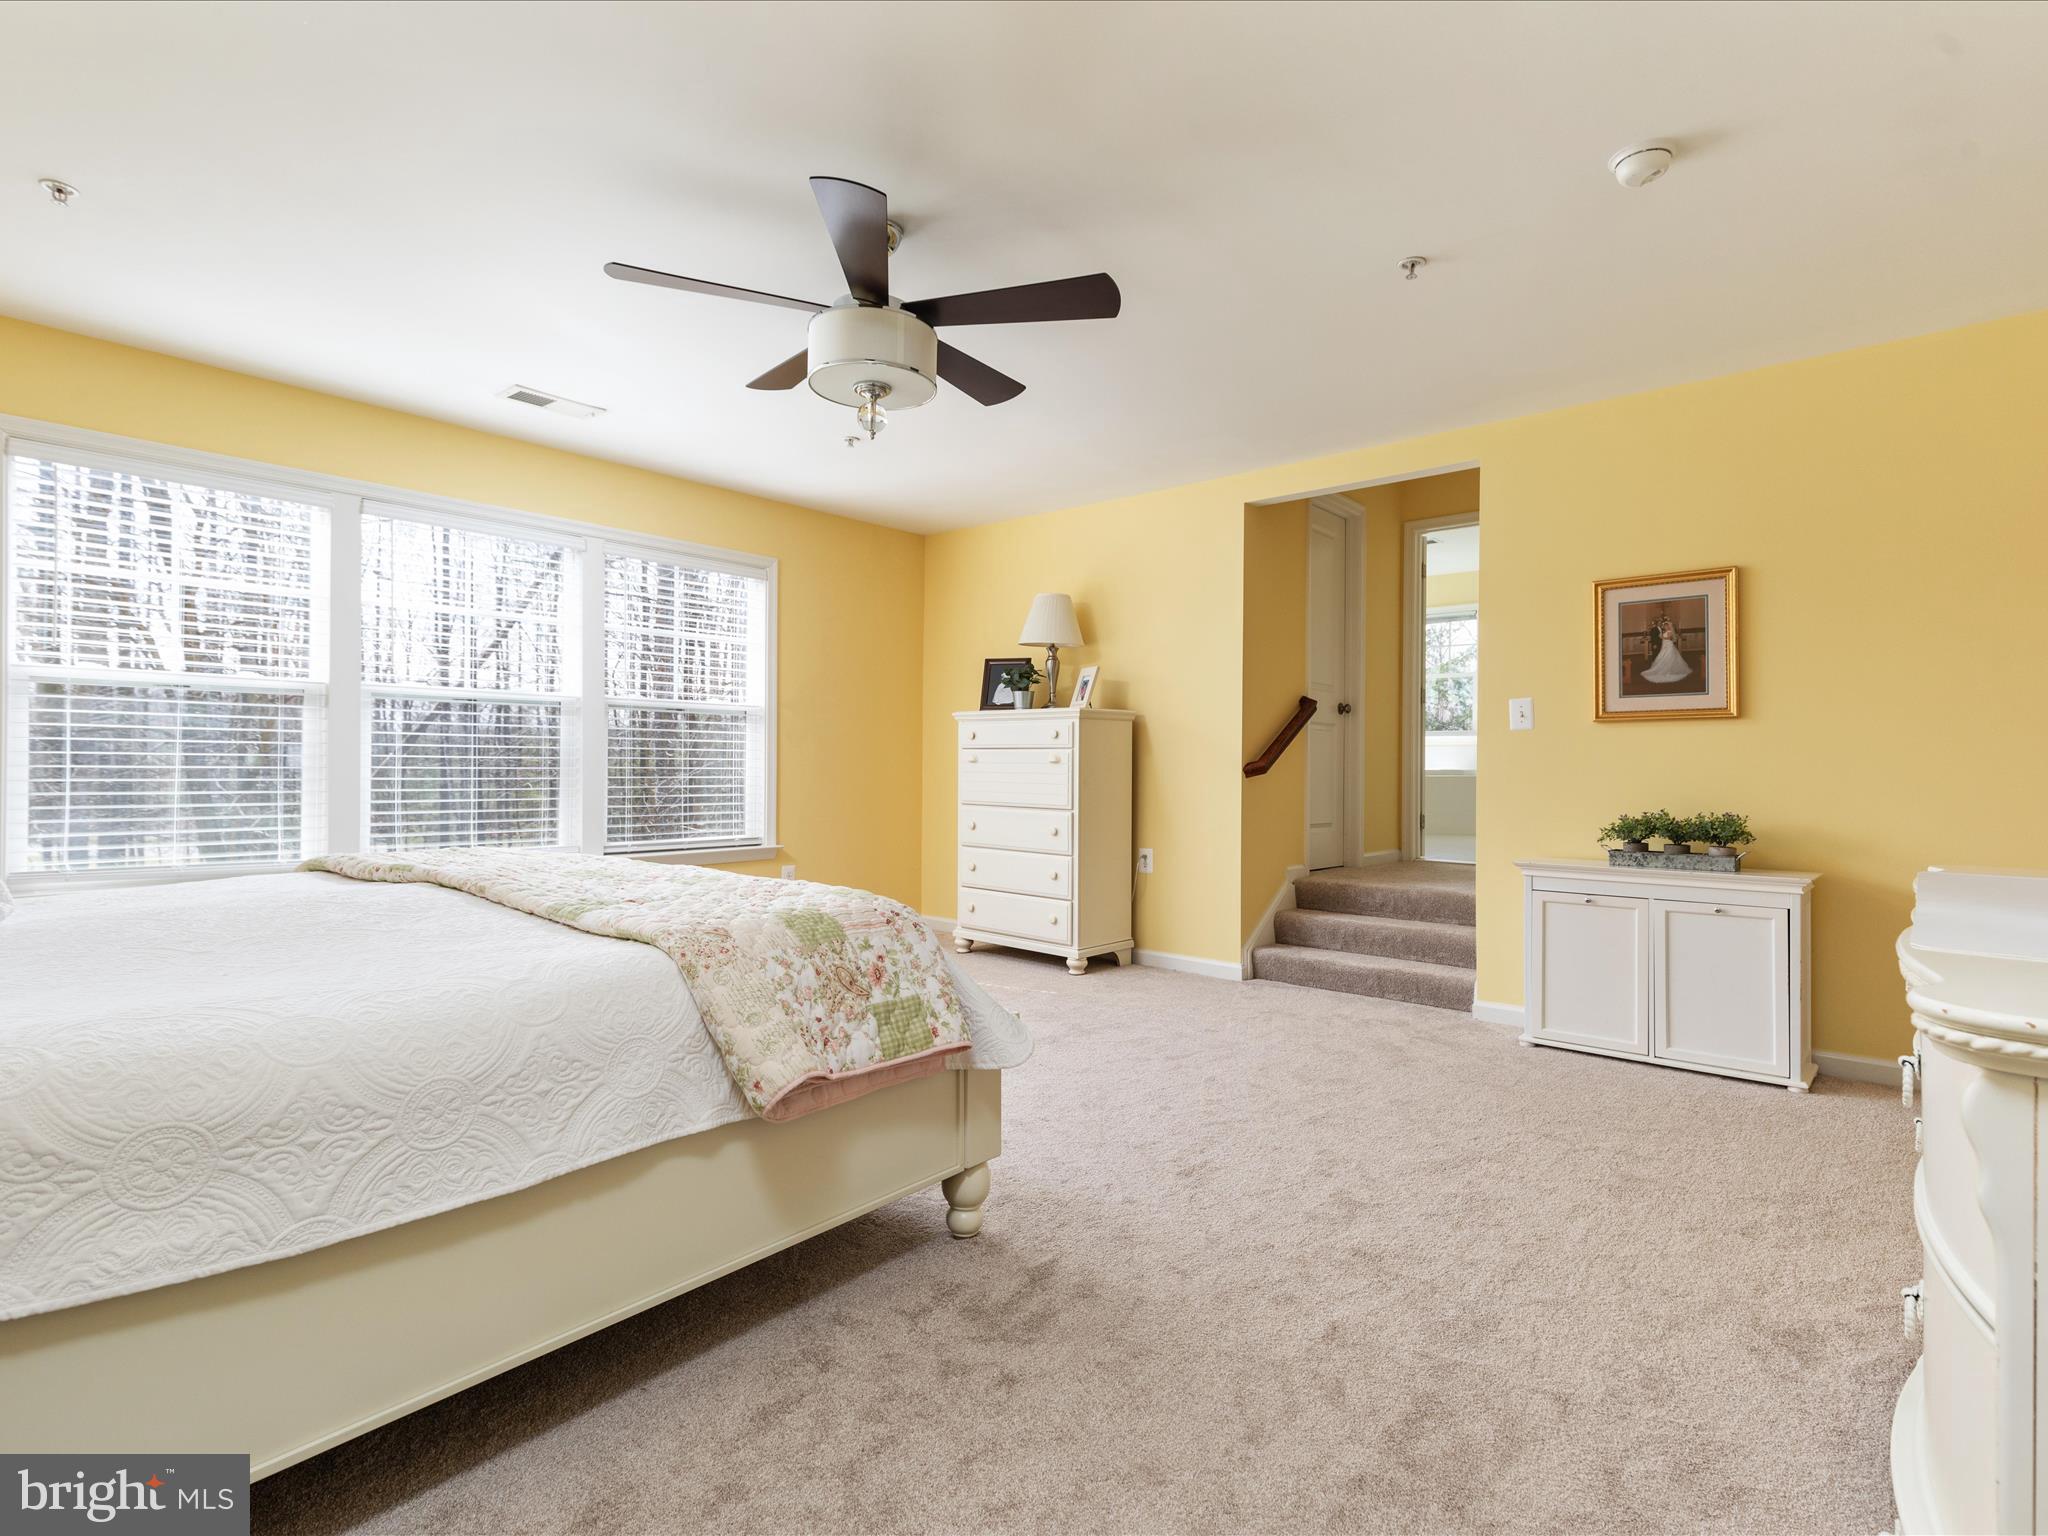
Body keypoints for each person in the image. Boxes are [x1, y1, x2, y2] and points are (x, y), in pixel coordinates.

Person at [1640, 614, 1692, 683]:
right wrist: (1661, 637)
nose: (1665, 627)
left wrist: (1662, 637)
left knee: (1668, 656)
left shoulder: (1669, 632)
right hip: (1664, 645)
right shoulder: (1664, 631)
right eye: (1664, 626)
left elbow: (1669, 638)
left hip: (1668, 645)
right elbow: (1660, 637)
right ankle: (1660, 668)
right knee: (1662, 656)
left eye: (1666, 626)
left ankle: (1669, 669)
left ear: (1669, 626)